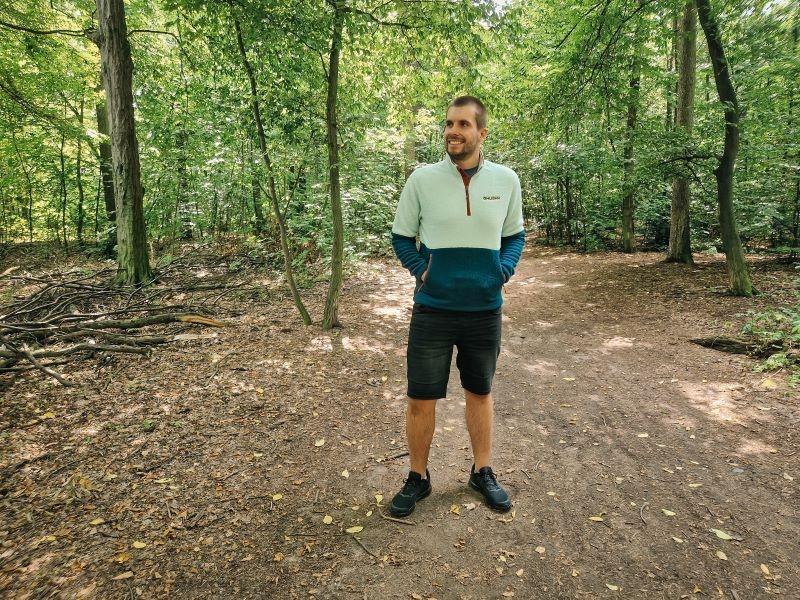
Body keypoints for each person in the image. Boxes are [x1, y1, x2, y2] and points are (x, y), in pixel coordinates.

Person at [388, 95, 525, 517]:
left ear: (481, 132)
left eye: (463, 124)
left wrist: (502, 270)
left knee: (479, 393)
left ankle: (482, 472)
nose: (453, 131)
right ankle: (417, 477)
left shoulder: (506, 180)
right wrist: (424, 271)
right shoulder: (422, 180)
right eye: (449, 123)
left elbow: (514, 235)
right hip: (433, 309)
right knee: (420, 397)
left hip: (484, 310)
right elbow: (401, 237)